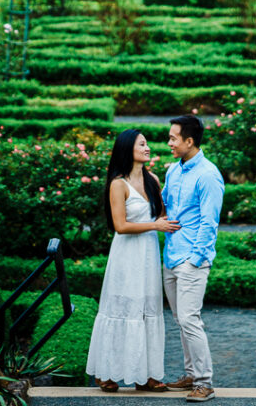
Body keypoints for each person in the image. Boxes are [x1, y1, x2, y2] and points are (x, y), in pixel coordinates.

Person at [86, 129, 181, 393]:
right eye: (142, 144)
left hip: (149, 253)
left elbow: (162, 214)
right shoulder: (118, 183)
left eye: (148, 143)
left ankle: (146, 375)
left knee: (147, 309)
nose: (148, 147)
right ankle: (108, 372)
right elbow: (120, 225)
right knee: (121, 309)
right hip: (127, 256)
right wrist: (155, 225)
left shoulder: (152, 179)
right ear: (128, 149)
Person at [162, 115, 224, 403]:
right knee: (180, 319)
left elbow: (209, 223)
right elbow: (164, 205)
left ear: (190, 141)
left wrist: (196, 259)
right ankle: (190, 374)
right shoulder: (173, 171)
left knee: (190, 318)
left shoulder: (208, 175)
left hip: (191, 259)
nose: (169, 142)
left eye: (174, 138)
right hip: (170, 256)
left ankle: (204, 382)